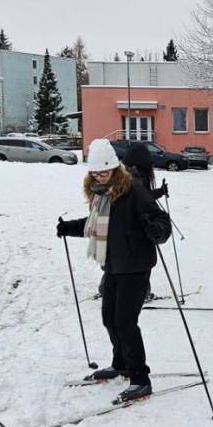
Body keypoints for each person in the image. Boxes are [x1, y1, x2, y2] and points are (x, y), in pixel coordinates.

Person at [56, 139, 172, 402]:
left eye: (104, 172)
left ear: (114, 168)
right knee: (109, 318)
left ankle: (140, 378)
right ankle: (121, 364)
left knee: (126, 323)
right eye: (95, 173)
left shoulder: (133, 188)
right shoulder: (100, 192)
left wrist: (157, 230)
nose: (99, 176)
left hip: (136, 265)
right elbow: (95, 224)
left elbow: (161, 219)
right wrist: (69, 227)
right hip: (113, 265)